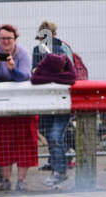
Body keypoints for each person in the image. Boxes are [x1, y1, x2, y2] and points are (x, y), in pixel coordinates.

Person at [0, 24, 37, 192]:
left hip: (24, 105)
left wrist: (12, 68)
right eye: (2, 38)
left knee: (25, 141)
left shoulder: (23, 54)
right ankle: (6, 180)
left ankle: (21, 180)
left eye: (9, 38)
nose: (5, 41)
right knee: (4, 142)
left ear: (15, 39)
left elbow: (25, 76)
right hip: (3, 105)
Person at [32, 22, 74, 182]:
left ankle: (60, 171)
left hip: (62, 100)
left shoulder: (63, 48)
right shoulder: (37, 50)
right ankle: (56, 168)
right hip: (45, 100)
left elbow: (69, 73)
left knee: (56, 135)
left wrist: (45, 74)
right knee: (51, 136)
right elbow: (34, 73)